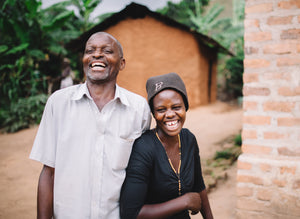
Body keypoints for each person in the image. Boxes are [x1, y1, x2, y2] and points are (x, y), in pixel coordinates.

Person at [30, 32, 151, 218]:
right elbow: (49, 173)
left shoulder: (138, 109)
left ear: (122, 63)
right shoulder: (58, 103)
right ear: (84, 59)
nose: (96, 55)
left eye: (107, 50)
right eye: (90, 51)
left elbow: (141, 175)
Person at [120, 72, 213, 219]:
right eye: (161, 109)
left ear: (185, 107)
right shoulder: (144, 148)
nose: (169, 114)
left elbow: (198, 185)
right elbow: (131, 213)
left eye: (176, 107)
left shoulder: (188, 139)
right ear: (154, 113)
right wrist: (184, 201)